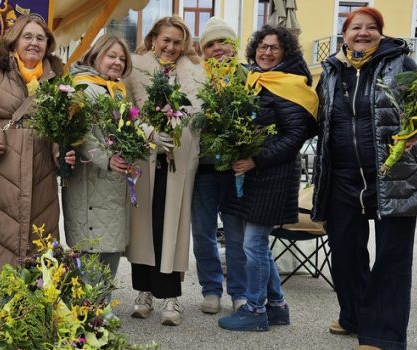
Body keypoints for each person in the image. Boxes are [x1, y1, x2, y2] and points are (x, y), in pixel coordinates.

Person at [311, 7, 417, 350]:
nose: (363, 33)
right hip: (342, 176)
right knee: (345, 252)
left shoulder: (401, 64)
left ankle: (383, 335)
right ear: (345, 35)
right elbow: (319, 118)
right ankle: (353, 316)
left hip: (394, 176)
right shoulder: (332, 70)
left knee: (392, 257)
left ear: (381, 33)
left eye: (371, 27)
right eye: (356, 28)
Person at [216, 24, 318, 332]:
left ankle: (256, 310)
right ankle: (277, 306)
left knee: (254, 244)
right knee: (257, 245)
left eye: (274, 47)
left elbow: (294, 138)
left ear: (286, 51)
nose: (267, 52)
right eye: (262, 46)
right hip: (253, 176)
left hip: (275, 177)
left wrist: (255, 159)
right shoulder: (254, 79)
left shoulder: (292, 85)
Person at [0, 15, 74, 273]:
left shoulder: (57, 81)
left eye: (40, 38)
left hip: (40, 174)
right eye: (27, 36)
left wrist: (60, 152)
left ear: (48, 45)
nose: (34, 43)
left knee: (37, 242)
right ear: (14, 41)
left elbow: (59, 128)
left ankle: (30, 294)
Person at [122, 16, 203, 326]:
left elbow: (199, 115)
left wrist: (178, 126)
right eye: (165, 40)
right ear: (153, 39)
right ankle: (143, 291)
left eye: (177, 42)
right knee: (143, 225)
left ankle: (171, 296)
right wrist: (149, 132)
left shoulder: (194, 72)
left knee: (172, 225)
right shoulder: (135, 69)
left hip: (177, 158)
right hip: (144, 157)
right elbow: (126, 111)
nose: (171, 47)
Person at [63, 34, 134, 279]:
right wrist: (107, 159)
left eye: (122, 58)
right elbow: (80, 133)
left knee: (111, 247)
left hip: (113, 182)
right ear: (96, 56)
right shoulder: (82, 86)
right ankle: (90, 301)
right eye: (111, 56)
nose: (117, 62)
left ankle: (103, 299)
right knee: (91, 249)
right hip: (90, 181)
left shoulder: (117, 89)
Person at [190, 16, 246, 315]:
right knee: (203, 233)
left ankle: (239, 291)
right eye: (210, 44)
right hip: (203, 170)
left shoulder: (247, 76)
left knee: (236, 235)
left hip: (236, 170)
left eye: (223, 42)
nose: (217, 48)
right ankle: (211, 289)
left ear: (234, 45)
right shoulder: (196, 78)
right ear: (203, 50)